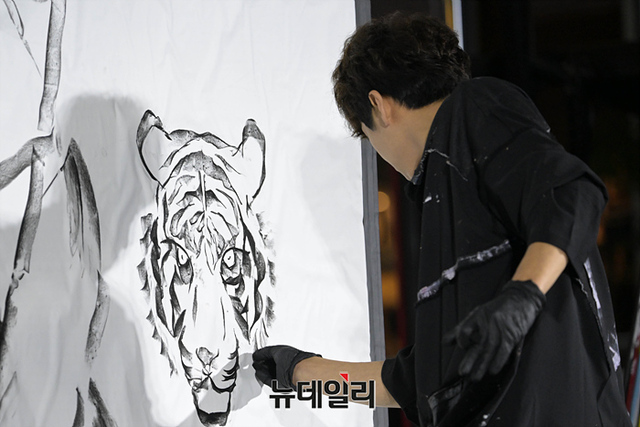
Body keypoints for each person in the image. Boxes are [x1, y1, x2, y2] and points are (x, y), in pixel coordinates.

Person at [253, 12, 631, 426]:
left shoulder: (474, 108)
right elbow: (416, 385)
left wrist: (523, 295)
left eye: (366, 135)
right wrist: (300, 373)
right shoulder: (446, 195)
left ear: (378, 105)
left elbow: (574, 193)